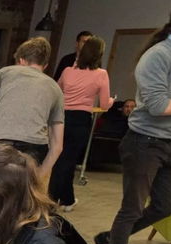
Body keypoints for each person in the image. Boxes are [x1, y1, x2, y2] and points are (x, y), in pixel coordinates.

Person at [96, 0, 171, 244]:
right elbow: (159, 106)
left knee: (164, 207)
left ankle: (112, 238)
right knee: (132, 209)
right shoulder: (158, 55)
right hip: (144, 143)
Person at [0, 37, 65, 174]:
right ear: (45, 65)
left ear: (21, 60)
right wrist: (40, 176)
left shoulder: (4, 73)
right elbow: (57, 146)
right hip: (35, 146)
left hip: (0, 141)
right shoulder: (55, 87)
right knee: (21, 191)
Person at [49, 35, 113, 210]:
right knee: (67, 160)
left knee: (60, 158)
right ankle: (50, 200)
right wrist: (112, 102)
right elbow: (105, 103)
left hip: (61, 117)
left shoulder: (68, 71)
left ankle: (67, 200)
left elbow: (56, 91)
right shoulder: (101, 74)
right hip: (80, 119)